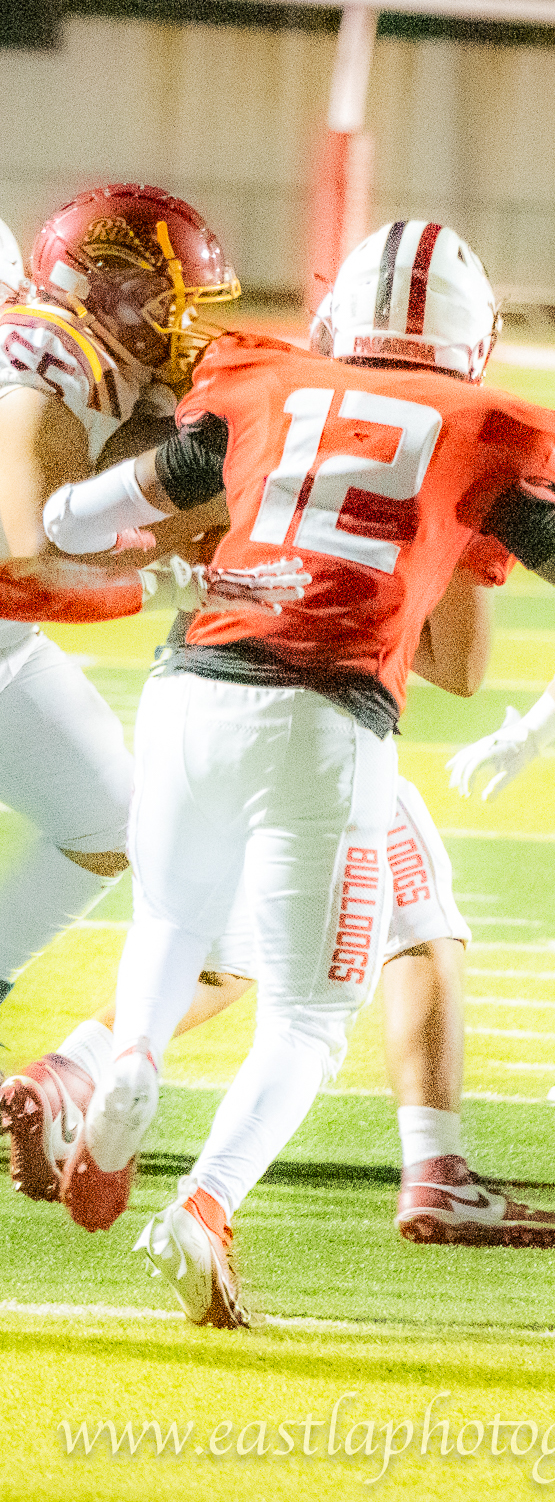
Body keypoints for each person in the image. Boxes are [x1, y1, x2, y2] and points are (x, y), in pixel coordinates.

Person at [36, 219, 555, 1327]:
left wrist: (146, 559)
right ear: (473, 337)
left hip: (189, 689)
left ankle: (132, 1058)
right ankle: (205, 1203)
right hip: (326, 718)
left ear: (340, 312)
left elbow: (75, 515)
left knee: (171, 922)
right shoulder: (484, 427)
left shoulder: (263, 383)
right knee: (307, 1017)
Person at [0, 187, 240, 1006]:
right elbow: (33, 560)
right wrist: (163, 578)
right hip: (14, 615)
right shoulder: (45, 352)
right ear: (104, 289)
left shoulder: (97, 366)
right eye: (169, 300)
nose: (183, 320)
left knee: (107, 823)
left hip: (8, 647)